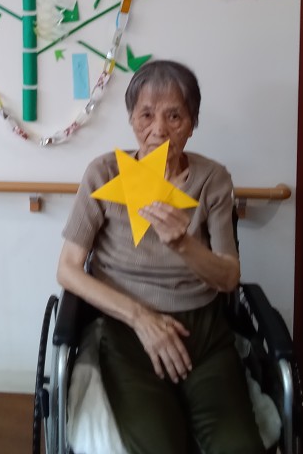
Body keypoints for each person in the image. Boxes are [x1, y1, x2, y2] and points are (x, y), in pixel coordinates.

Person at [57, 59, 265, 454]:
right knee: (156, 445)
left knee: (239, 446)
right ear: (131, 119)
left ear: (193, 123)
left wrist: (184, 244)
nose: (159, 130)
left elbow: (228, 278)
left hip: (204, 331)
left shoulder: (213, 179)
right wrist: (140, 318)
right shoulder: (104, 173)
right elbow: (68, 269)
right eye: (146, 115)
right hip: (127, 328)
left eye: (174, 116)